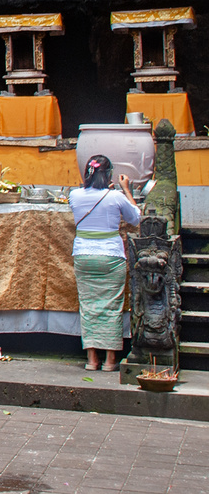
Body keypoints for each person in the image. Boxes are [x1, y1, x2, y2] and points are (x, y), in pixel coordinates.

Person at [70, 153, 141, 371]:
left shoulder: (75, 195)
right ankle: (110, 361)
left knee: (89, 306)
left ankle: (92, 360)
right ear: (108, 174)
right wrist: (125, 189)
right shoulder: (116, 197)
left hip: (83, 255)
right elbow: (136, 218)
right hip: (110, 256)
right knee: (111, 307)